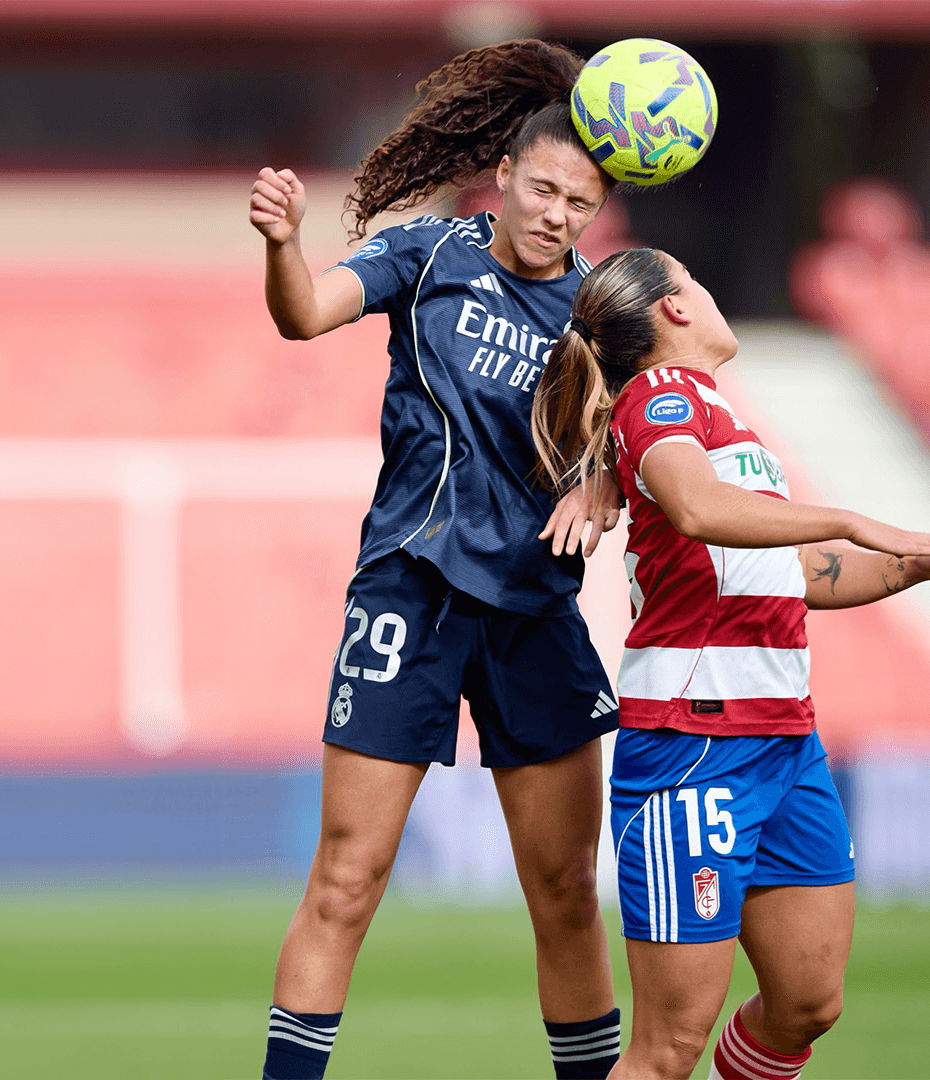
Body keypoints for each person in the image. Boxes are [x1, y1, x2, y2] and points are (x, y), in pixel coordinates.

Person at [247, 39, 628, 1080]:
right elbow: (302, 315)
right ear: (503, 174)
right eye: (542, 189)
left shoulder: (603, 316)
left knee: (566, 894)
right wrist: (284, 244)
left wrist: (603, 482)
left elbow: (652, 433)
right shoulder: (425, 256)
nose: (555, 215)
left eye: (579, 203)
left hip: (533, 612)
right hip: (409, 594)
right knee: (345, 881)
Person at [530, 248, 930, 1080]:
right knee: (668, 1046)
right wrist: (855, 520)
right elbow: (696, 506)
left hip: (785, 741)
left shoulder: (721, 414)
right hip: (695, 746)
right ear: (676, 308)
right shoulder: (659, 396)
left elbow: (793, 573)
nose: (709, 289)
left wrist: (915, 566)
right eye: (695, 278)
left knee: (807, 1002)